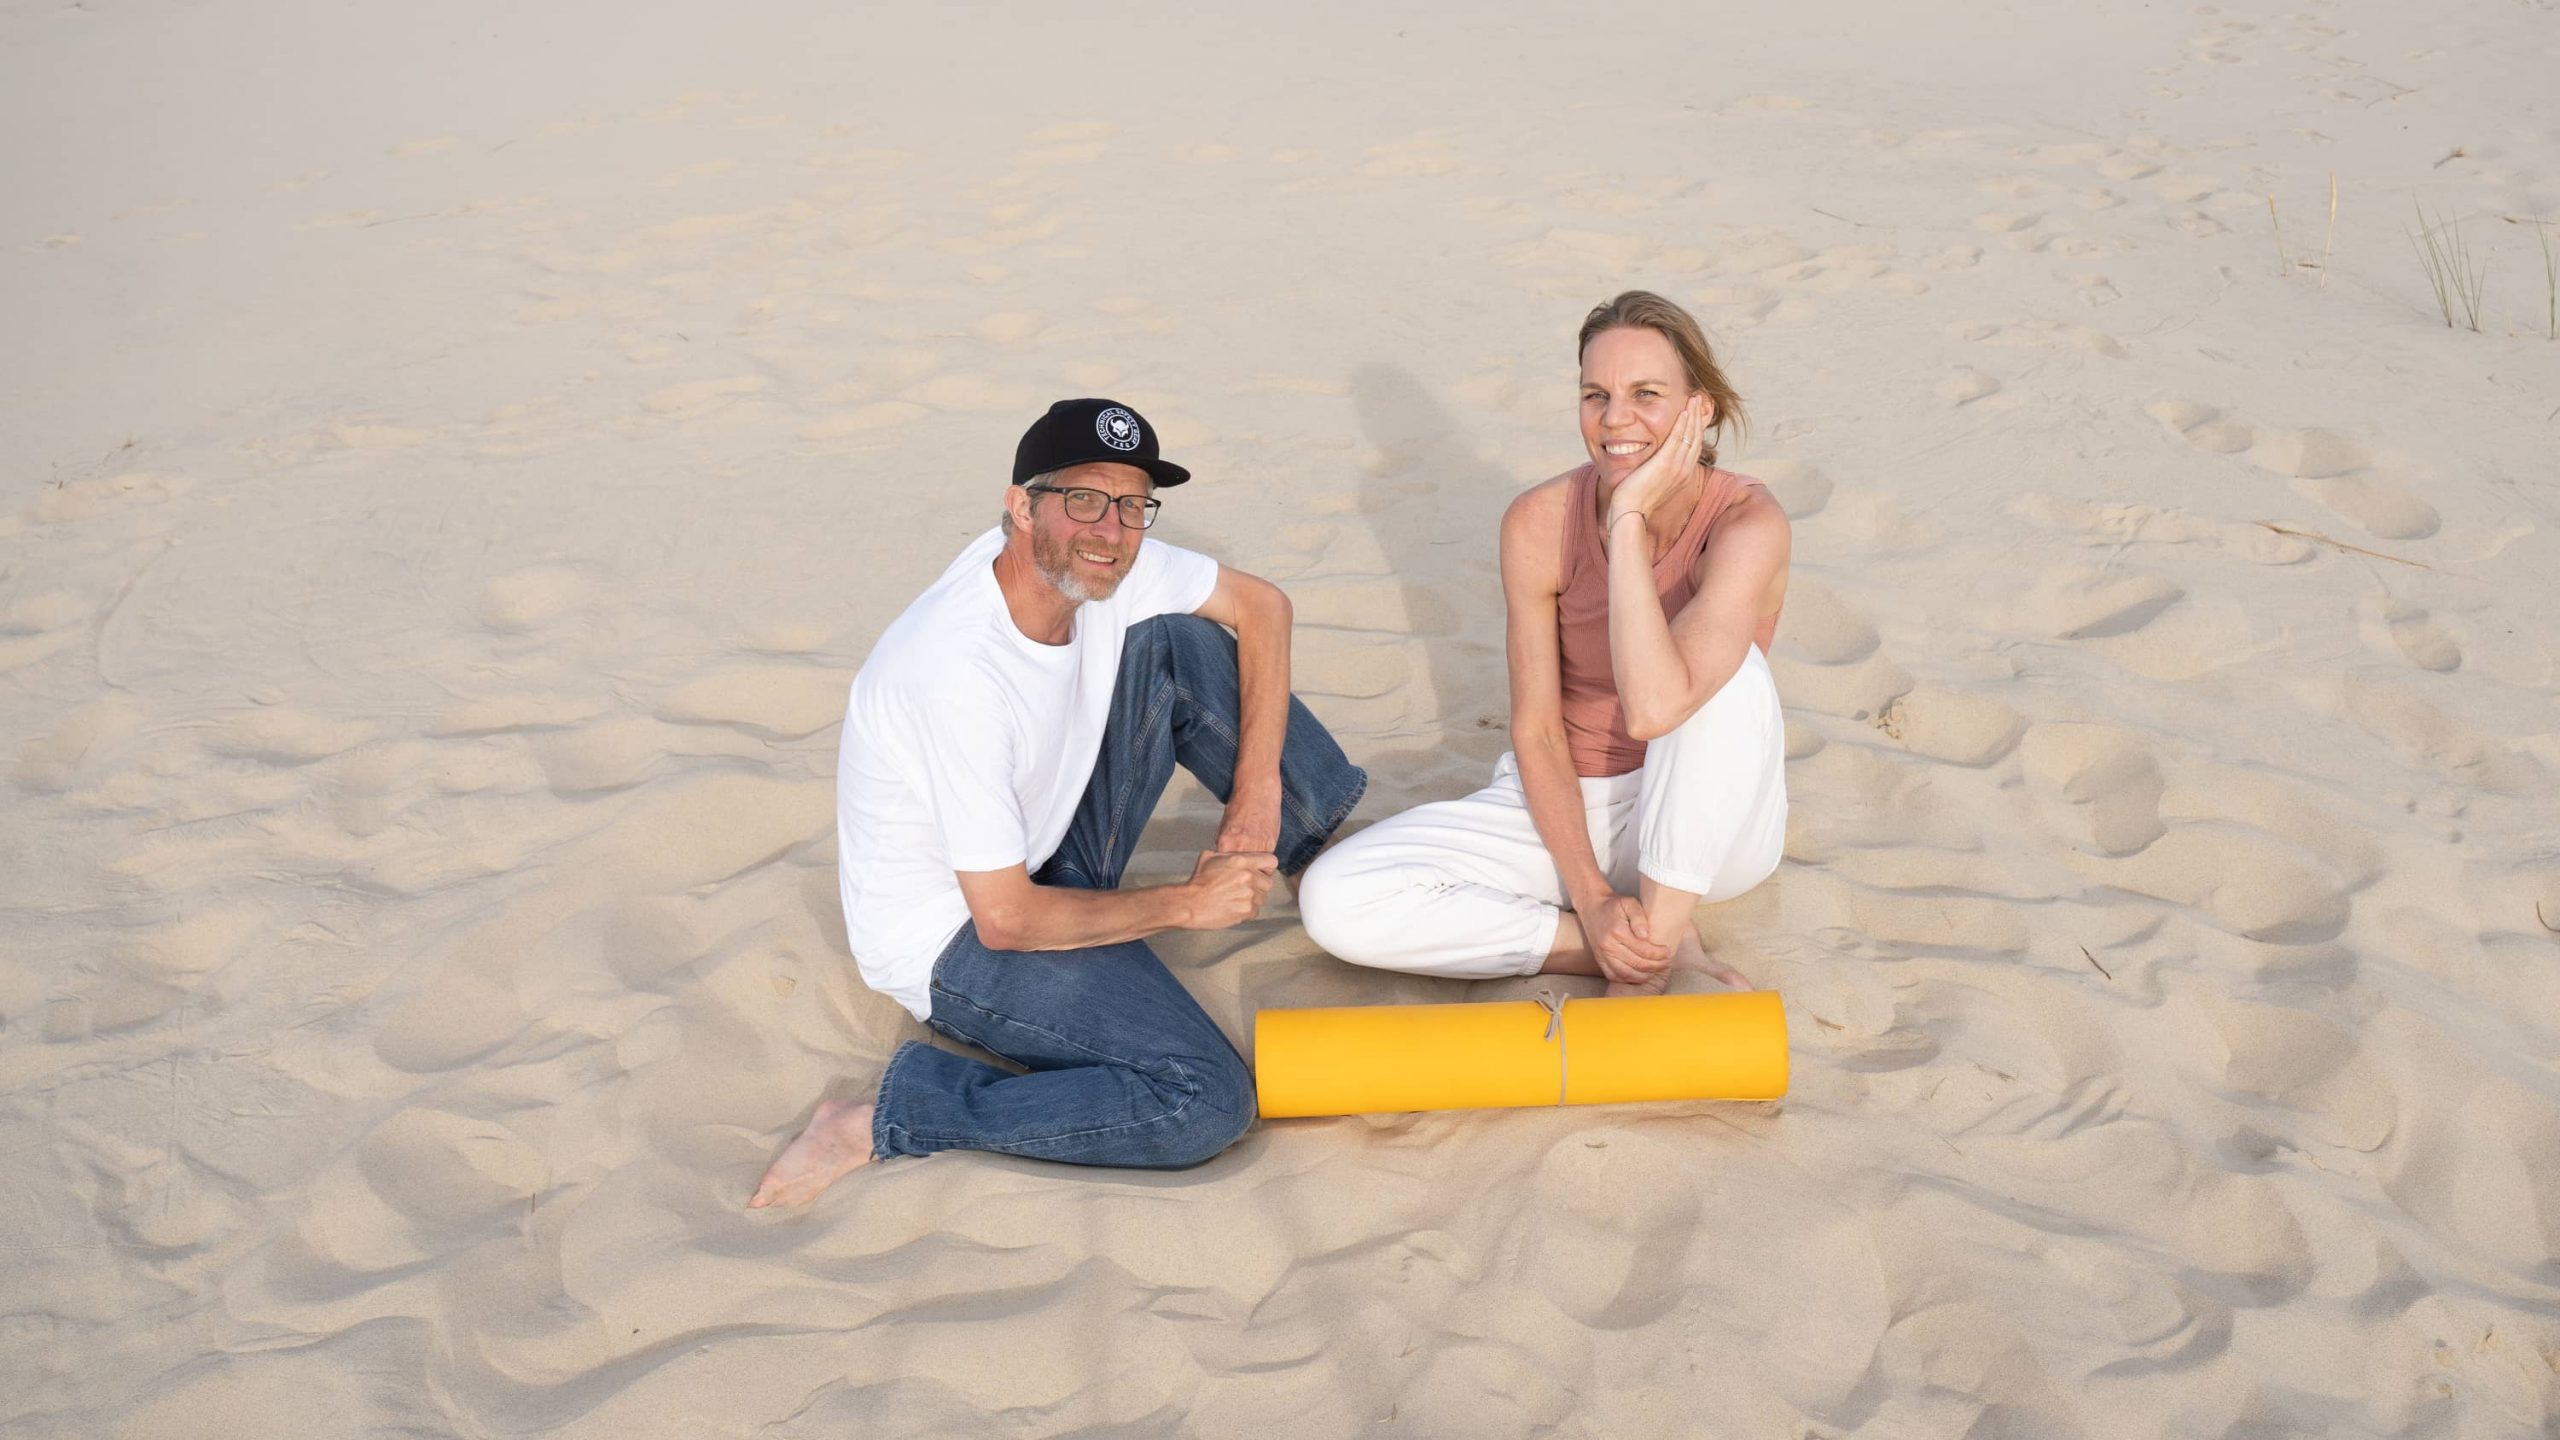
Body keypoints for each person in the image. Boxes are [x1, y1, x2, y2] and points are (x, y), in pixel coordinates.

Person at [751, 398, 1366, 1206]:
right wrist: (1188, 904)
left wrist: (1257, 798)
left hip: (1043, 840)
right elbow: (1007, 919)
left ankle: (1314, 855)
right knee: (1204, 1102)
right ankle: (889, 1116)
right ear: (1021, 506)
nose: (1110, 529)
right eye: (1084, 499)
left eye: (1133, 505)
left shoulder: (1105, 560)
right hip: (958, 935)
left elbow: (1264, 606)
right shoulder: (954, 673)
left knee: (1178, 640)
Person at [1298, 292, 1788, 996]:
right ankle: (1632, 949)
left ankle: (1656, 935)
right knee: (1336, 899)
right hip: (1573, 812)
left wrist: (1625, 520)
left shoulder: (1748, 523)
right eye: (1596, 395)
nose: (1614, 419)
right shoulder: (1537, 520)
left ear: (1699, 408)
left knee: (1730, 674)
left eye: (1646, 394)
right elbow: (1537, 727)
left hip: (1713, 831)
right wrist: (1590, 897)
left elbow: (1656, 709)